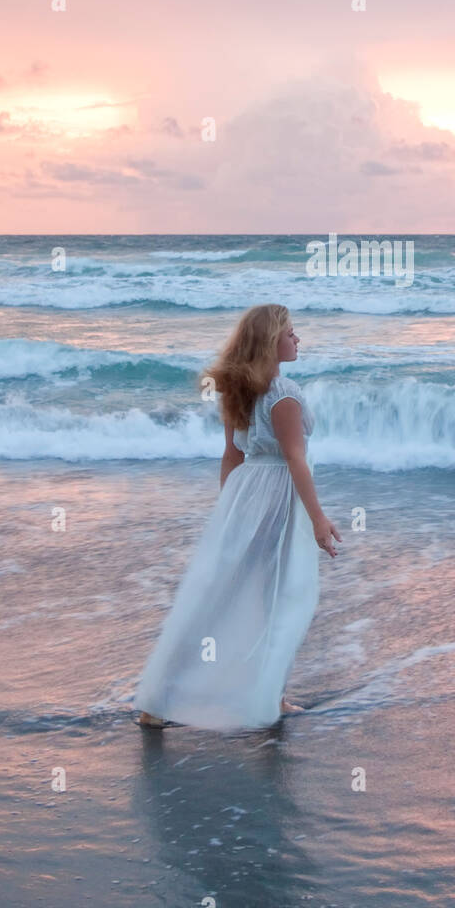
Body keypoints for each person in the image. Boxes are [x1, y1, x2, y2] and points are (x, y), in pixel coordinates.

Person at [134, 303, 341, 730]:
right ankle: (270, 699)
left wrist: (228, 511)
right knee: (284, 597)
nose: (297, 339)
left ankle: (159, 702)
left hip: (247, 496)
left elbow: (231, 457)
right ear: (271, 342)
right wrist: (318, 519)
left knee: (219, 598)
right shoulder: (284, 396)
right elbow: (295, 461)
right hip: (280, 501)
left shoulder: (239, 392)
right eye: (290, 333)